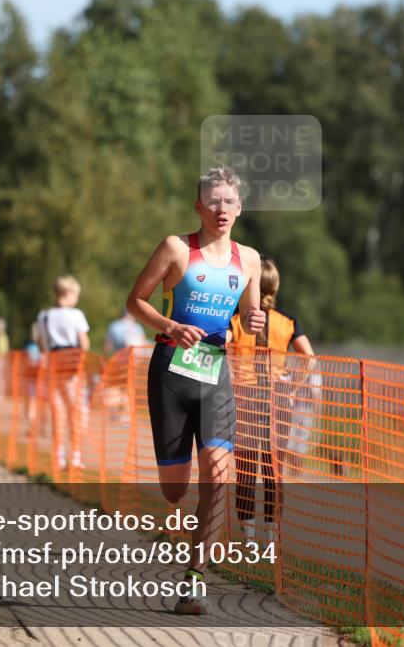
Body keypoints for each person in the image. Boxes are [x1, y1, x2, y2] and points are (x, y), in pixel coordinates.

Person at [126, 165, 265, 615]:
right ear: (198, 206)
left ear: (239, 208)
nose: (221, 209)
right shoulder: (176, 248)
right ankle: (173, 485)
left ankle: (194, 580)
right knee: (173, 489)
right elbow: (135, 301)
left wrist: (255, 321)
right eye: (213, 200)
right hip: (170, 370)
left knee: (219, 476)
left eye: (229, 201)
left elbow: (249, 316)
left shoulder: (250, 260)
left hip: (215, 374)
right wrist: (170, 325)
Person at [227, 257, 314, 544]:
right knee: (273, 468)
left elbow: (222, 348)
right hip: (278, 398)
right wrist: (294, 388)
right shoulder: (288, 322)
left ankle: (249, 537)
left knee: (246, 467)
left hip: (246, 397)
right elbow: (309, 359)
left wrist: (230, 378)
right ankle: (273, 535)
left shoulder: (237, 320)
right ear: (275, 286)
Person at [37, 276, 91, 470]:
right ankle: (75, 456)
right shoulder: (76, 315)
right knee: (76, 413)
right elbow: (84, 344)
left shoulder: (43, 316)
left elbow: (42, 345)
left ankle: (58, 457)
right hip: (72, 367)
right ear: (68, 293)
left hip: (53, 365)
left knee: (57, 412)